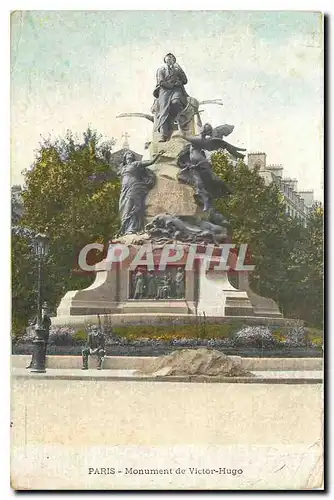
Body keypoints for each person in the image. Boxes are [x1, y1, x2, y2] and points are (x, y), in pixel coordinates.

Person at [118, 150, 165, 235]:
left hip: (134, 186)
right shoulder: (123, 168)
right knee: (123, 207)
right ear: (125, 158)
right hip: (124, 189)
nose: (130, 155)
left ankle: (132, 228)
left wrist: (157, 155)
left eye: (131, 154)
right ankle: (125, 229)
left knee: (131, 205)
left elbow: (150, 162)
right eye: (128, 154)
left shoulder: (136, 164)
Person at [153, 53, 188, 142]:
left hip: (177, 90)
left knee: (176, 102)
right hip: (165, 90)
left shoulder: (177, 69)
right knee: (164, 110)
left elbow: (185, 80)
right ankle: (163, 134)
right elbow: (161, 82)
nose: (170, 59)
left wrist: (180, 72)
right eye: (168, 58)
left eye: (172, 58)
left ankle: (180, 121)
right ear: (165, 60)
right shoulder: (161, 70)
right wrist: (172, 85)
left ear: (174, 60)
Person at [26, 302, 52, 369]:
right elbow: (33, 324)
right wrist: (34, 326)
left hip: (44, 336)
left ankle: (42, 364)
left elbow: (49, 325)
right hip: (37, 336)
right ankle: (32, 364)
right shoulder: (37, 317)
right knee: (35, 351)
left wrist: (42, 326)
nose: (44, 311)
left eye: (45, 310)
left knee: (43, 351)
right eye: (43, 310)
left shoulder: (47, 318)